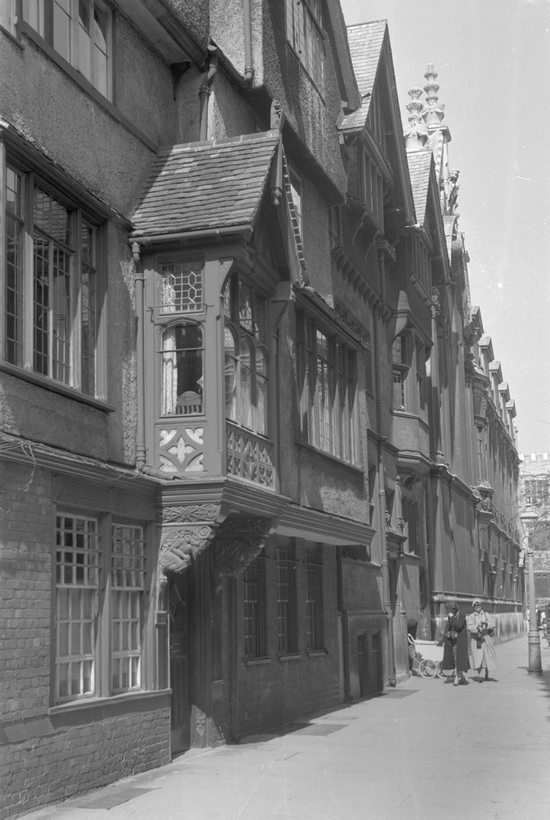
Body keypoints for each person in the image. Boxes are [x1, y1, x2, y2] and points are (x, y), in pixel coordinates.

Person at [439, 600, 469, 685]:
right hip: (452, 640)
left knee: (458, 659)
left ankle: (456, 677)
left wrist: (451, 617)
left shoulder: (461, 615)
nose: (450, 610)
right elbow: (449, 625)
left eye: (452, 609)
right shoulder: (451, 615)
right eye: (449, 609)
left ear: (456, 608)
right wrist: (444, 637)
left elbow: (459, 626)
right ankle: (461, 677)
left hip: (460, 641)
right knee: (455, 658)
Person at [466, 599, 497, 682]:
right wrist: (477, 627)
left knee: (487, 657)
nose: (477, 607)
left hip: (486, 638)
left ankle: (487, 673)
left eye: (479, 605)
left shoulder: (486, 615)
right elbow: (469, 627)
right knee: (478, 658)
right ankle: (479, 675)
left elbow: (492, 624)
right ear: (473, 607)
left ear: (481, 606)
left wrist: (486, 624)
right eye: (476, 606)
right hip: (476, 640)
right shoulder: (471, 616)